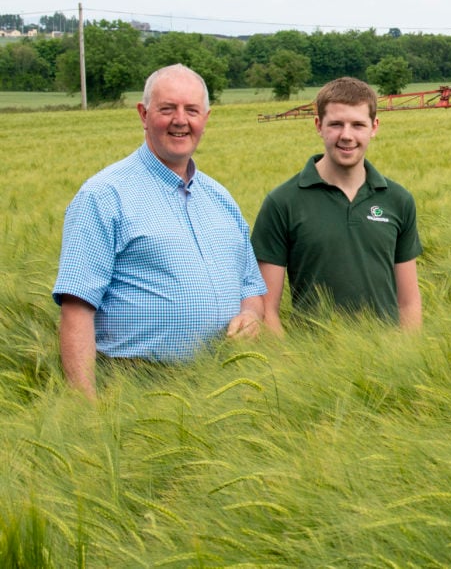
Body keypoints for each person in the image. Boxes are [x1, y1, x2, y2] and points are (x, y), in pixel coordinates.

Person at [52, 64, 267, 399]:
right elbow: (77, 308)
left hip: (224, 385)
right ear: (143, 114)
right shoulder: (104, 195)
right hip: (138, 389)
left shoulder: (221, 199)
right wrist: (86, 407)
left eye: (191, 110)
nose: (180, 120)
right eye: (167, 109)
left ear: (205, 119)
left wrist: (251, 315)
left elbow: (251, 288)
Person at [251, 77, 423, 332]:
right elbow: (267, 311)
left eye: (357, 125)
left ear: (374, 127)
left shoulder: (398, 200)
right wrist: (293, 367)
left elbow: (408, 304)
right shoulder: (282, 202)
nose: (346, 135)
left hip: (387, 362)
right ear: (318, 125)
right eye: (336, 124)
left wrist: (407, 359)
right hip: (313, 364)